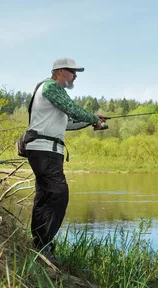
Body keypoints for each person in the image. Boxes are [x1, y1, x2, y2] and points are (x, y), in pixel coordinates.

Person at [25, 57, 106, 266]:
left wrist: (92, 120)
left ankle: (40, 245)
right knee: (58, 194)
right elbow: (72, 109)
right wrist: (92, 117)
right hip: (45, 151)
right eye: (72, 72)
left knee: (45, 197)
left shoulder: (53, 95)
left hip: (47, 151)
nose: (75, 76)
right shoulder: (51, 87)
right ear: (60, 72)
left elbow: (68, 122)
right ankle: (44, 247)